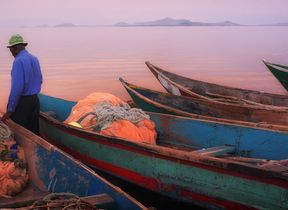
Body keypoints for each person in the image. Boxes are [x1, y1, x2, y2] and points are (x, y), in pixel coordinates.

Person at [1, 34, 43, 134]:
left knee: (19, 133)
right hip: (35, 101)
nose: (10, 53)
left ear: (15, 48)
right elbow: (40, 80)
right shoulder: (34, 58)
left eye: (10, 49)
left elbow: (17, 89)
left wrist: (10, 110)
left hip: (23, 103)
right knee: (32, 133)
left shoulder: (18, 61)